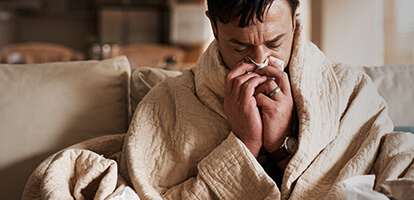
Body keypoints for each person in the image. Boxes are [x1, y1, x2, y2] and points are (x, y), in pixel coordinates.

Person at [23, 0, 413, 199]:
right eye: (239, 46)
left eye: (274, 42)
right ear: (213, 25)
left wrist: (281, 147)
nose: (260, 61)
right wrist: (244, 145)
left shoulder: (350, 90)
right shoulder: (169, 103)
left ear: (297, 18)